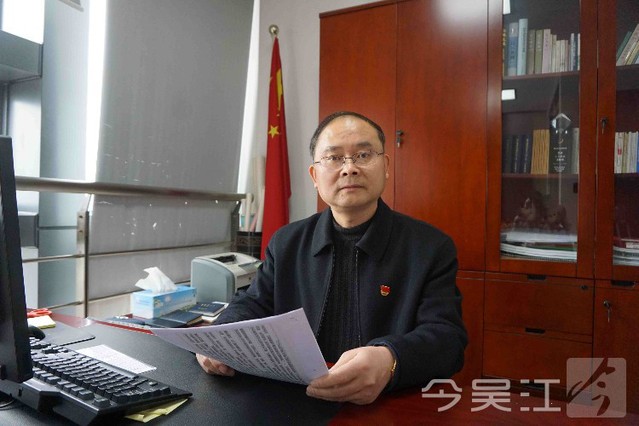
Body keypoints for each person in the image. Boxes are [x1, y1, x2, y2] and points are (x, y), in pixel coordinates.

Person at [196, 111, 467, 405]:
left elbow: (447, 338)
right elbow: (254, 302)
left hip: (386, 404)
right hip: (297, 400)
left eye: (363, 155)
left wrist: (390, 359)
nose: (349, 168)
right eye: (334, 158)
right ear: (315, 176)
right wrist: (218, 337)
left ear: (386, 166)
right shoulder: (287, 242)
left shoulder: (429, 248)